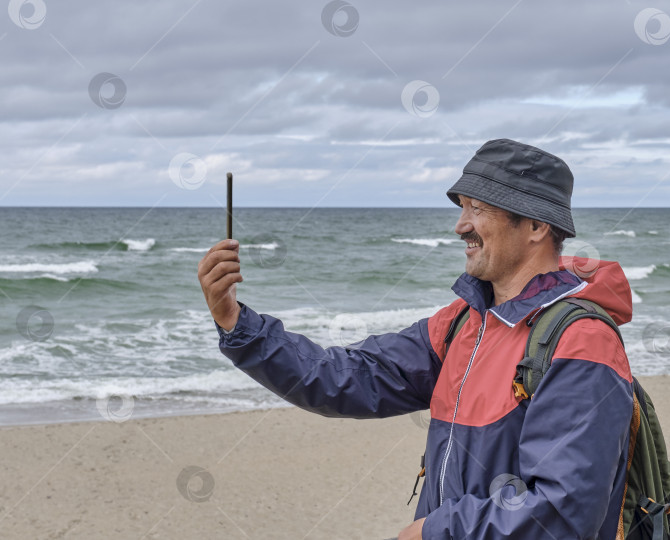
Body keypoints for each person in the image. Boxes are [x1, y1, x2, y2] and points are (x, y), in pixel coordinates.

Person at [198, 139, 635, 539]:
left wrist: (433, 533)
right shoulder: (463, 323)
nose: (461, 226)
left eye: (477, 209)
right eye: (462, 207)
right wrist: (238, 323)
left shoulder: (581, 341)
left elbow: (563, 513)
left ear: (537, 225)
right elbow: (347, 377)